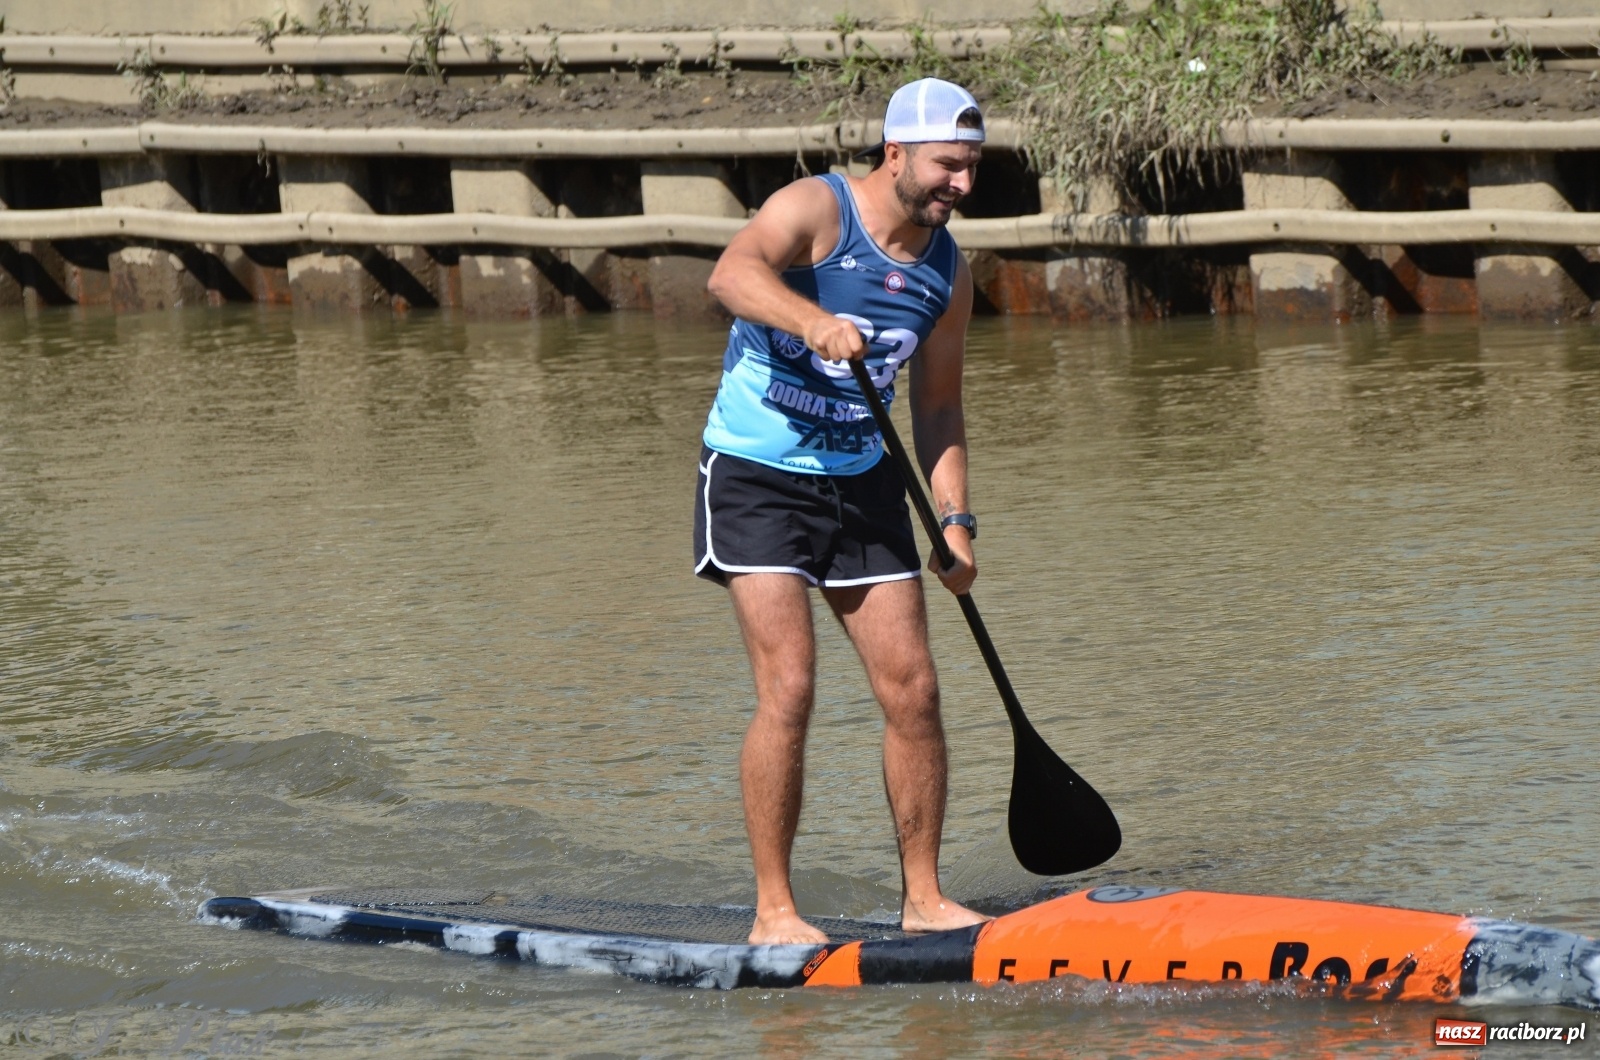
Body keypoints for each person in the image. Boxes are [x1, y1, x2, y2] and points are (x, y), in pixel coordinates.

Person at [693, 78, 992, 945]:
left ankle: (925, 899)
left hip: (864, 480)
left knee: (916, 690)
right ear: (894, 152)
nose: (960, 187)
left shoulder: (946, 272)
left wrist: (957, 522)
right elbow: (732, 272)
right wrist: (813, 319)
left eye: (971, 170)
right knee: (790, 685)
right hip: (755, 472)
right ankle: (774, 913)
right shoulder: (817, 209)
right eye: (946, 167)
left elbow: (938, 408)